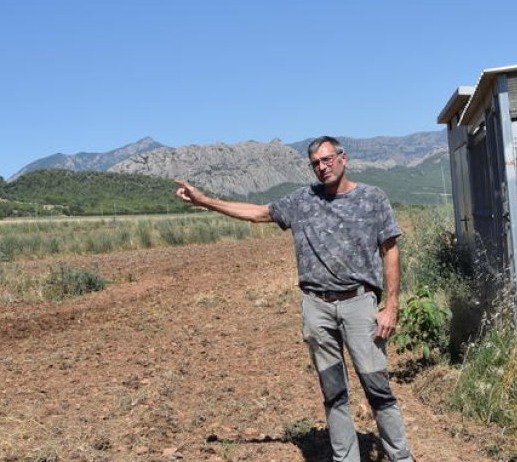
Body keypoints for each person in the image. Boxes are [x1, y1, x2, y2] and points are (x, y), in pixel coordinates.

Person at [174, 135, 415, 462]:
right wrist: (205, 201)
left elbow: (390, 250)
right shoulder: (302, 201)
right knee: (334, 393)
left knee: (378, 388)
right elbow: (257, 213)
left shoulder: (372, 198)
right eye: (316, 163)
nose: (322, 167)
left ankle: (400, 457)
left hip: (360, 305)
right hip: (317, 308)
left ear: (343, 158)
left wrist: (391, 305)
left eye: (328, 159)